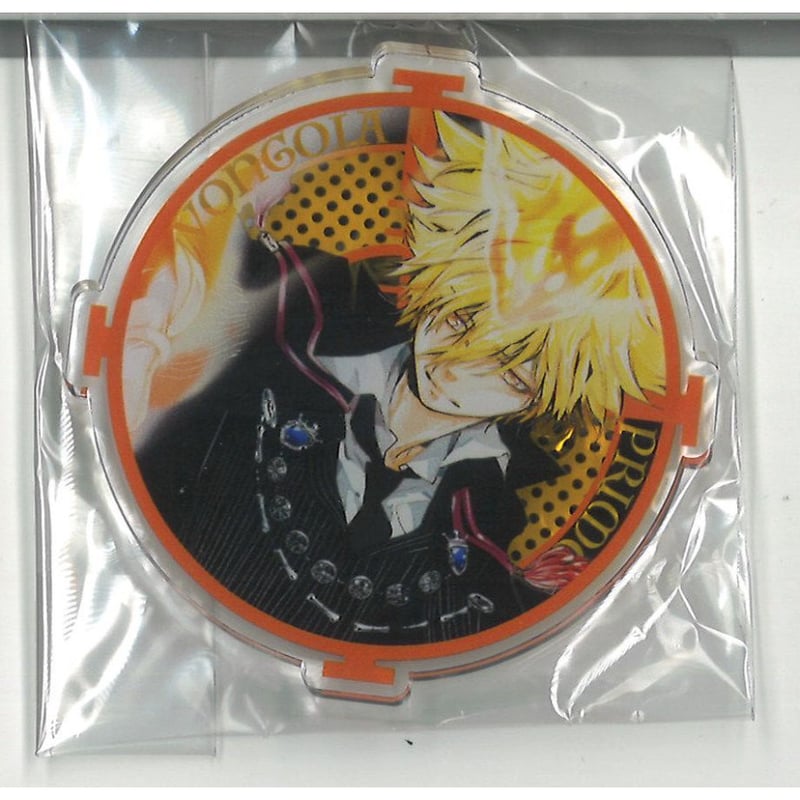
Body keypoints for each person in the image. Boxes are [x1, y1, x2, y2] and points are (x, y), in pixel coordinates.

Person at [135, 112, 665, 644]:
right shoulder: (282, 325)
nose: (456, 368)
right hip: (158, 609)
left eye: (509, 374)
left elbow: (458, 632)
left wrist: (525, 596)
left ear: (541, 401)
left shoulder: (484, 517)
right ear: (432, 281)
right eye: (459, 319)